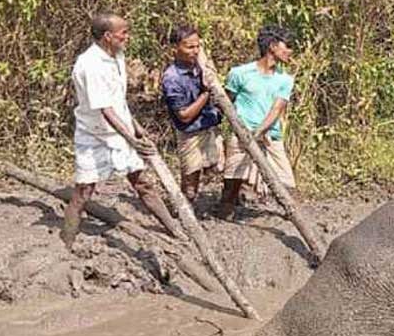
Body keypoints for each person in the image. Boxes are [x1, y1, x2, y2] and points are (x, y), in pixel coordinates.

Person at [62, 12, 180, 249]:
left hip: (120, 129)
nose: (128, 37)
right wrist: (132, 139)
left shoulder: (117, 56)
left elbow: (118, 101)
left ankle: (176, 231)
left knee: (143, 183)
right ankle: (65, 242)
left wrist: (137, 129)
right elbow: (104, 108)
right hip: (94, 134)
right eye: (123, 33)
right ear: (108, 36)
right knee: (83, 192)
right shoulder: (90, 65)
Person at [218, 26, 297, 219]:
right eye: (287, 46)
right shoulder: (240, 74)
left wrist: (259, 131)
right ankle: (225, 211)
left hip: (270, 136)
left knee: (287, 185)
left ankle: (290, 216)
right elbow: (226, 103)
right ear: (272, 46)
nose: (290, 51)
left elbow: (277, 109)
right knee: (231, 185)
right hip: (241, 135)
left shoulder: (285, 80)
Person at [161, 24, 223, 203]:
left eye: (197, 46)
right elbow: (184, 116)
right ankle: (182, 211)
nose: (195, 51)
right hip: (190, 134)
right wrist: (205, 93)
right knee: (190, 185)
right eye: (189, 47)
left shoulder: (200, 65)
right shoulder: (172, 78)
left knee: (218, 168)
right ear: (176, 48)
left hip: (208, 127)